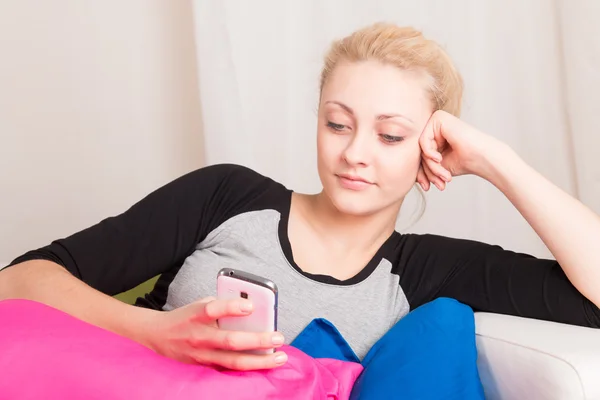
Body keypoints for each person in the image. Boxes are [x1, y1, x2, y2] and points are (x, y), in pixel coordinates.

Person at [1, 22, 599, 372]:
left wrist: (498, 162)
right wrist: (150, 330)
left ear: (430, 146)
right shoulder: (227, 196)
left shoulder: (424, 272)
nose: (355, 153)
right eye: (338, 123)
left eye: (390, 135)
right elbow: (21, 278)